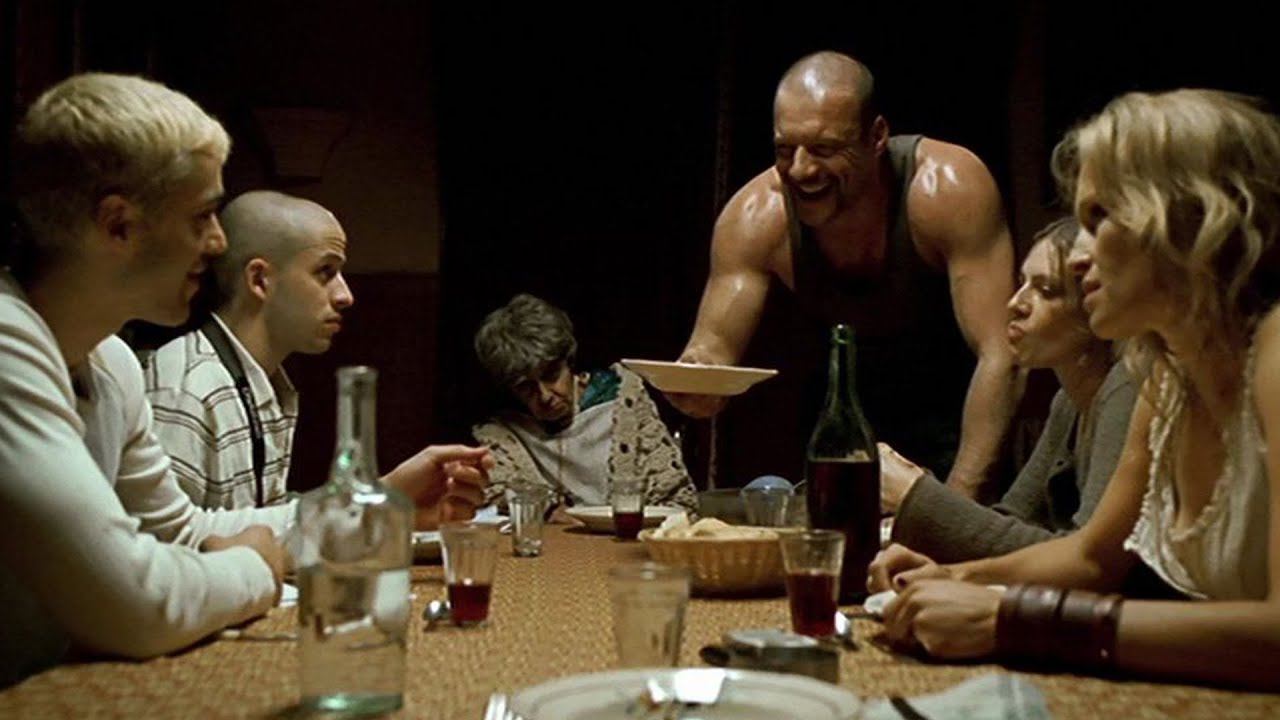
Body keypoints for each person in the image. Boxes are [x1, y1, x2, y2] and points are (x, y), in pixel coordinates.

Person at [0, 73, 488, 686]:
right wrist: (257, 569)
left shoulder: (110, 361)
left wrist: (378, 507)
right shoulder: (8, 344)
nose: (218, 242)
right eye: (203, 215)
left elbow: (182, 530)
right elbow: (137, 603)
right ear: (118, 226)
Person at [868, 89, 1280, 690]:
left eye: (1099, 218)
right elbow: (1091, 558)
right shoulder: (1166, 373)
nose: (1078, 256)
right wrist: (953, 579)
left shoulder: (1273, 354)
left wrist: (1017, 619)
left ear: (1191, 217)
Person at [670, 51, 1015, 497]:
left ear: (877, 136)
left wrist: (957, 506)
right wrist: (697, 381)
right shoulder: (757, 216)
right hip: (842, 411)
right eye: (784, 150)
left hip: (956, 410)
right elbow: (712, 350)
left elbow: (1001, 354)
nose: (801, 170)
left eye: (825, 149)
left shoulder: (948, 189)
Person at [880, 217, 1136, 562]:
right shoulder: (1068, 400)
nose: (1016, 303)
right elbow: (1014, 517)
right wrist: (939, 570)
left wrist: (916, 497)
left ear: (1092, 303)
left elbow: (1086, 559)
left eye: (1046, 290)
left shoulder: (1126, 390)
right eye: (1022, 283)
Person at [144, 191, 354, 509]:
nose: (345, 296)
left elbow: (263, 517)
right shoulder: (188, 390)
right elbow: (165, 537)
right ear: (259, 280)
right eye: (325, 271)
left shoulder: (259, 378)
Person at [472, 294, 697, 513]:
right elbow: (495, 494)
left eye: (551, 375)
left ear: (569, 361)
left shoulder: (621, 404)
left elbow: (675, 498)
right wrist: (548, 510)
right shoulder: (507, 432)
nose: (544, 395)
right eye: (526, 387)